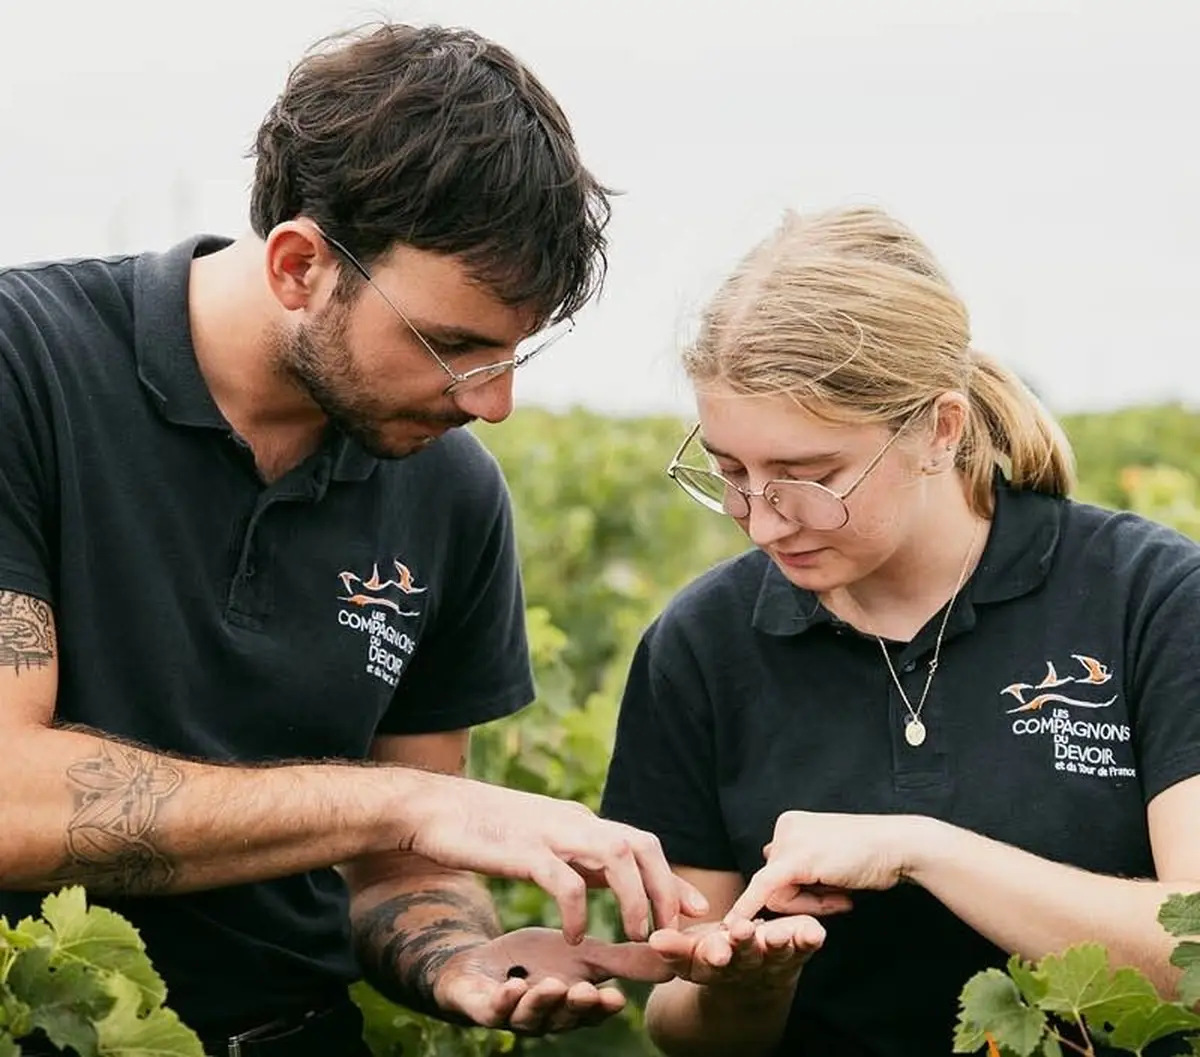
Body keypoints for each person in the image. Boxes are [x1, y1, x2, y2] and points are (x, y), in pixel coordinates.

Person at [0, 23, 705, 1057]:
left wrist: (460, 960)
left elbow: (401, 872)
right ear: (299, 264)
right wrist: (406, 806)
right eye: (455, 346)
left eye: (516, 352)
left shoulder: (450, 490)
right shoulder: (26, 370)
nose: (496, 402)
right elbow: (8, 800)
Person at [599, 204, 1200, 1056]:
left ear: (939, 430)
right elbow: (680, 1026)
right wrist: (744, 985)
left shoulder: (1150, 598)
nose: (763, 523)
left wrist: (920, 850)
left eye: (810, 477)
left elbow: (1198, 954)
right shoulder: (700, 645)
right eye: (732, 473)